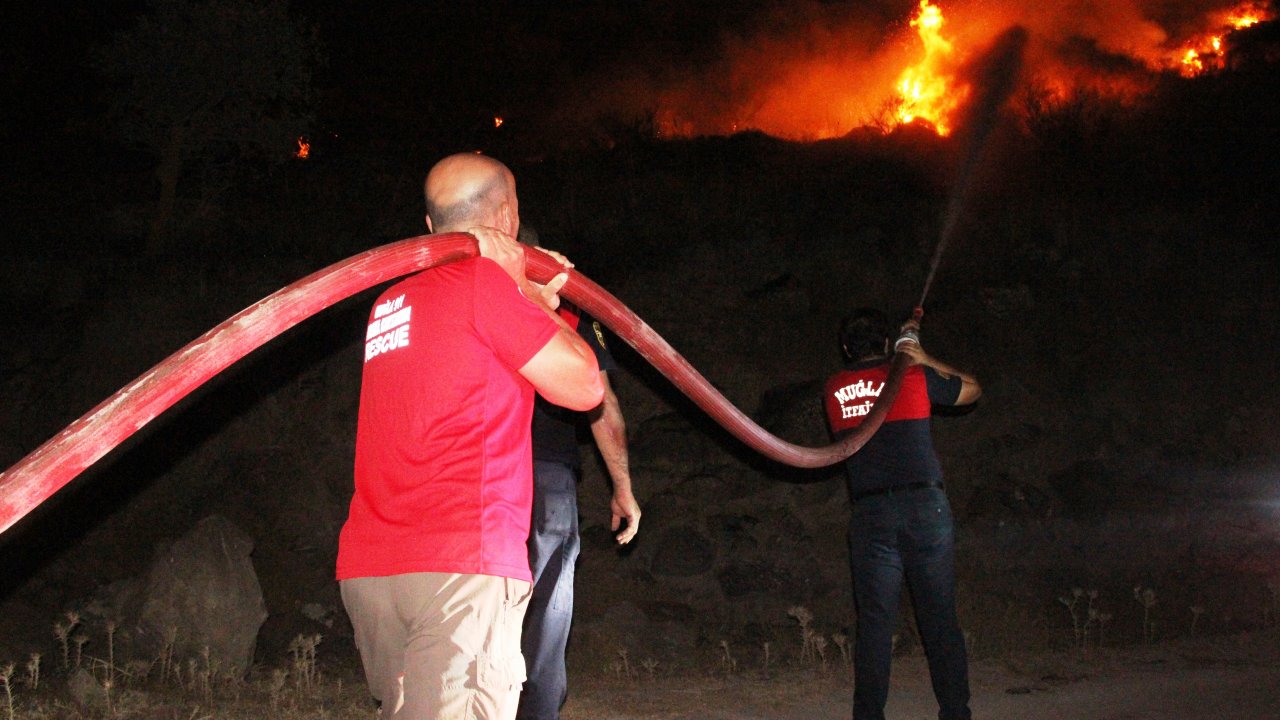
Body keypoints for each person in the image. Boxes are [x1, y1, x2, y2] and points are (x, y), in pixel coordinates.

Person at [336, 153, 604, 720]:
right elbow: (584, 386)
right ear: (509, 218)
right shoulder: (486, 284)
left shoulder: (390, 301)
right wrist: (530, 299)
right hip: (459, 565)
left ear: (430, 228)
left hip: (373, 567)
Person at [822, 308, 981, 720]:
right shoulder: (913, 376)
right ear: (889, 343)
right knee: (939, 615)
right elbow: (973, 390)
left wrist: (903, 359)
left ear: (844, 348)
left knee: (875, 623)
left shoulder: (835, 389)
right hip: (924, 507)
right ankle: (955, 713)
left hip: (871, 511)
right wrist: (921, 357)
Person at [515, 228, 642, 720]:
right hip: (544, 477)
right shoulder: (568, 312)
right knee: (545, 613)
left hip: (477, 474)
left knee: (481, 609)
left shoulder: (466, 297)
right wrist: (623, 489)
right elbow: (603, 406)